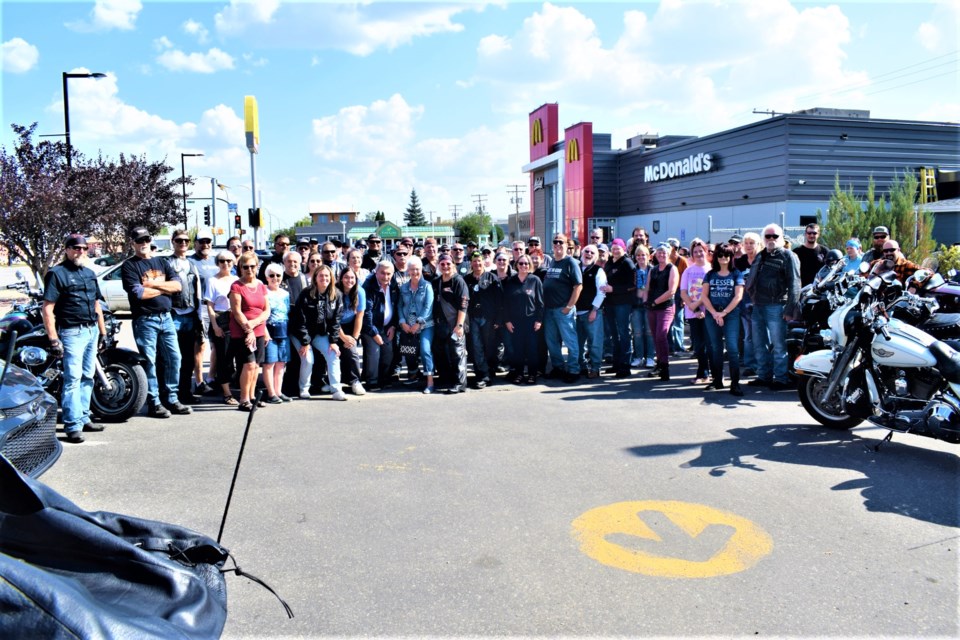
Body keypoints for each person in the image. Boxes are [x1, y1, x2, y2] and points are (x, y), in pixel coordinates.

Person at [41, 233, 107, 443]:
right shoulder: (57, 274)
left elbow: (97, 305)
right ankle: (72, 425)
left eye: (84, 248)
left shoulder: (89, 273)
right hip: (71, 333)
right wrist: (53, 339)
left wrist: (102, 331)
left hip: (91, 331)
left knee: (88, 377)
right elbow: (47, 309)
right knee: (73, 379)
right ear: (67, 249)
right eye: (76, 248)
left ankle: (84, 418)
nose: (80, 251)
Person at [121, 226, 191, 418]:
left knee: (174, 358)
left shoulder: (162, 262)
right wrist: (164, 288)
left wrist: (152, 284)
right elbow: (139, 293)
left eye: (146, 239)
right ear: (133, 243)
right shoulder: (129, 266)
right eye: (138, 240)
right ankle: (154, 402)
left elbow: (177, 286)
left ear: (150, 241)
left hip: (166, 317)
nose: (143, 243)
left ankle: (172, 398)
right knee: (149, 361)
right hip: (145, 320)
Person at [745, 223, 800, 390]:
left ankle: (781, 379)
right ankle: (764, 376)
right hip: (758, 306)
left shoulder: (788, 256)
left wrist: (790, 309)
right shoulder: (760, 256)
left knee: (778, 345)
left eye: (774, 236)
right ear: (763, 238)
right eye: (768, 236)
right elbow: (752, 280)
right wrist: (753, 300)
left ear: (781, 238)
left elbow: (795, 285)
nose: (771, 239)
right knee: (759, 344)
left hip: (777, 306)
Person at [293, 264, 346, 401]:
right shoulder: (306, 293)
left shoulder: (336, 295)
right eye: (321, 275)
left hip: (319, 334)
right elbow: (300, 320)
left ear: (331, 278)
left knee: (333, 354)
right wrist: (305, 342)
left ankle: (336, 389)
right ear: (315, 277)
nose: (324, 278)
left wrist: (333, 341)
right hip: (300, 333)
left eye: (327, 276)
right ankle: (304, 389)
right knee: (308, 359)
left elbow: (336, 321)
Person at [700, 243, 745, 396]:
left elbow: (738, 296)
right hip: (712, 315)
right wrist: (714, 313)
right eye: (720, 255)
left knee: (732, 349)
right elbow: (704, 296)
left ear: (731, 257)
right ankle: (717, 380)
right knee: (715, 349)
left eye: (726, 255)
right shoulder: (710, 274)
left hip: (730, 315)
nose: (723, 258)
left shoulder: (736, 274)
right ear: (716, 257)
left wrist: (723, 313)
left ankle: (735, 384)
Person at [166, 229, 204, 405]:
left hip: (190, 315)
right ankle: (170, 394)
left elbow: (197, 291)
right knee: (173, 357)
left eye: (186, 241)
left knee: (188, 357)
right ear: (172, 242)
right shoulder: (166, 263)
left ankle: (185, 392)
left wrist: (198, 316)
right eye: (179, 240)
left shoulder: (192, 264)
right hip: (173, 314)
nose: (182, 243)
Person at [229, 251, 270, 411]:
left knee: (256, 365)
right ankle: (244, 399)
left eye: (252, 266)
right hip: (242, 331)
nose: (249, 270)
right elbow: (236, 311)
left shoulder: (261, 285)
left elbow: (266, 310)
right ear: (240, 268)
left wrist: (257, 325)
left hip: (258, 329)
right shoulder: (236, 286)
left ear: (257, 266)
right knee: (249, 364)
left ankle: (252, 397)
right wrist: (249, 329)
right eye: (245, 267)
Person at [543, 233, 583, 382]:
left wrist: (568, 306)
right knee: (552, 341)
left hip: (563, 309)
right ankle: (558, 367)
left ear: (567, 245)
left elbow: (578, 286)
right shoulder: (552, 262)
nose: (558, 244)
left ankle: (573, 370)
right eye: (555, 241)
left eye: (561, 242)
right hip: (549, 310)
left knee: (570, 341)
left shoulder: (571, 262)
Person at [463, 250, 503, 389]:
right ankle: (482, 374)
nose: (477, 263)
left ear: (483, 262)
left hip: (489, 318)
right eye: (474, 261)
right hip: (473, 318)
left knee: (489, 346)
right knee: (476, 346)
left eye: (479, 261)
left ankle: (490, 371)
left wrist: (498, 319)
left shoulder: (492, 277)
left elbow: (500, 301)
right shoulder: (466, 279)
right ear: (471, 263)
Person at [503, 253, 544, 384]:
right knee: (518, 349)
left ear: (530, 265)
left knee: (532, 349)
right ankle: (519, 374)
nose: (524, 266)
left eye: (526, 263)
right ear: (516, 265)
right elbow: (505, 305)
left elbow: (540, 302)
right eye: (521, 263)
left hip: (531, 321)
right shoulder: (510, 281)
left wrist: (539, 320)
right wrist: (507, 321)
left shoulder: (535, 280)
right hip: (515, 322)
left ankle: (532, 374)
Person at [204, 250, 238, 405]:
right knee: (223, 358)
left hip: (236, 319)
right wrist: (215, 326)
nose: (226, 264)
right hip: (220, 319)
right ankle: (226, 394)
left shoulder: (237, 280)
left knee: (235, 357)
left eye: (229, 261)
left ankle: (235, 387)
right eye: (222, 261)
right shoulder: (212, 281)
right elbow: (210, 306)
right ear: (217, 263)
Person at [432, 254, 469, 394]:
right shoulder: (436, 281)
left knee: (457, 354)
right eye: (442, 264)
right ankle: (446, 378)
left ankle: (460, 383)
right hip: (440, 325)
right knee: (440, 353)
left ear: (453, 264)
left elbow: (463, 304)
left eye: (448, 263)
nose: (445, 266)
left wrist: (459, 325)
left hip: (456, 324)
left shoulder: (458, 281)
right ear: (438, 265)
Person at [398, 256, 436, 394]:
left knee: (425, 350)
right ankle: (414, 374)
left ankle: (430, 382)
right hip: (408, 325)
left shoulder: (427, 286)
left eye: (417, 269)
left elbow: (428, 307)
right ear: (408, 270)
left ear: (421, 270)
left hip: (425, 325)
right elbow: (399, 306)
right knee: (409, 350)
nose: (415, 272)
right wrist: (402, 322)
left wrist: (418, 323)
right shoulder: (403, 287)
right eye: (412, 269)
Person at [188, 227, 218, 396]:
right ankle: (198, 381)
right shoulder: (191, 261)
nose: (205, 244)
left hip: (216, 310)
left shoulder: (216, 261)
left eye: (208, 241)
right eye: (202, 242)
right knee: (201, 346)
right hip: (200, 309)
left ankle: (211, 378)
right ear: (196, 244)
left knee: (217, 346)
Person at [601, 238, 636, 378]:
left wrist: (613, 289)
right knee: (614, 335)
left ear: (624, 249)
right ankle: (616, 364)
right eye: (614, 248)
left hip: (623, 304)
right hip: (610, 304)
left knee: (624, 333)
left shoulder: (627, 263)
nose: (616, 250)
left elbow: (633, 285)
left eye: (618, 248)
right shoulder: (609, 262)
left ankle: (625, 366)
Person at [361, 260, 398, 391]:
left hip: (388, 326)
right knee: (374, 352)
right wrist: (374, 333)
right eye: (382, 273)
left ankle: (384, 379)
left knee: (388, 353)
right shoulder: (368, 286)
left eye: (389, 274)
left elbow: (396, 306)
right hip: (370, 327)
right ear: (376, 272)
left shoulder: (393, 284)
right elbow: (367, 313)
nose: (385, 276)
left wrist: (393, 326)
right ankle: (371, 381)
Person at [646, 243, 679, 381]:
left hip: (665, 307)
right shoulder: (652, 270)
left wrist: (655, 301)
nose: (661, 254)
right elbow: (647, 287)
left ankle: (665, 366)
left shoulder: (672, 268)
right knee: (655, 337)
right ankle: (659, 364)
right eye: (659, 252)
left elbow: (671, 291)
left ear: (668, 254)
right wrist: (645, 300)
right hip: (652, 308)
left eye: (664, 252)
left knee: (661, 335)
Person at [680, 240, 711, 384]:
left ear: (706, 251)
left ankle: (709, 373)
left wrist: (701, 307)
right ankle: (702, 373)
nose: (698, 254)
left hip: (710, 312)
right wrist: (695, 308)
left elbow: (710, 293)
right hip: (693, 313)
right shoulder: (688, 270)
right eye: (695, 252)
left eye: (701, 251)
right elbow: (683, 292)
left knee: (710, 344)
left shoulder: (711, 270)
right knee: (698, 345)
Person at [261, 263, 292, 404]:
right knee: (269, 363)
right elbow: (262, 314)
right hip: (269, 329)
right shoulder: (263, 292)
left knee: (281, 363)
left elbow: (287, 313)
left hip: (284, 330)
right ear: (267, 277)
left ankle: (278, 391)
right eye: (272, 275)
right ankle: (271, 393)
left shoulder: (285, 294)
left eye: (278, 275)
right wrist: (265, 332)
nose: (275, 278)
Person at [576, 244, 606, 379]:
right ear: (582, 252)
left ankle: (595, 368)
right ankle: (581, 367)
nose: (588, 254)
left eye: (592, 253)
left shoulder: (599, 271)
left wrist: (594, 310)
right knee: (577, 343)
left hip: (592, 312)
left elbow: (601, 293)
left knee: (594, 343)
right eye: (586, 251)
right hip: (575, 313)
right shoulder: (575, 268)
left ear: (596, 257)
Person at [734, 232, 760, 377]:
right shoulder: (739, 262)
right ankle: (751, 365)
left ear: (758, 244)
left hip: (761, 303)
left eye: (752, 243)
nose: (749, 246)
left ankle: (764, 365)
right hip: (745, 304)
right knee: (748, 336)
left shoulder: (763, 259)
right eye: (747, 243)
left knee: (763, 336)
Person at [337, 268, 367, 396]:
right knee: (333, 353)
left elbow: (360, 316)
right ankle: (331, 381)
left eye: (352, 278)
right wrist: (343, 336)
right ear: (341, 278)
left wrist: (354, 338)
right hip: (335, 326)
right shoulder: (334, 291)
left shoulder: (359, 291)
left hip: (351, 324)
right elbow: (332, 318)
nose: (349, 280)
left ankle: (355, 381)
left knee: (352, 351)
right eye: (346, 277)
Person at [630, 245, 656, 369]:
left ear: (648, 256)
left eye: (643, 255)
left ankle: (650, 356)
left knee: (650, 332)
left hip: (649, 305)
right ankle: (638, 357)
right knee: (637, 332)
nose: (641, 257)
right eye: (638, 255)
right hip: (635, 305)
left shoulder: (653, 269)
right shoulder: (632, 270)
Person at [665, 238, 689, 354]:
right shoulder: (665, 260)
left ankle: (679, 346)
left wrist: (685, 298)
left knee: (678, 320)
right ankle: (670, 346)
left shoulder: (683, 261)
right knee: (668, 320)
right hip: (668, 291)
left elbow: (687, 279)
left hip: (680, 291)